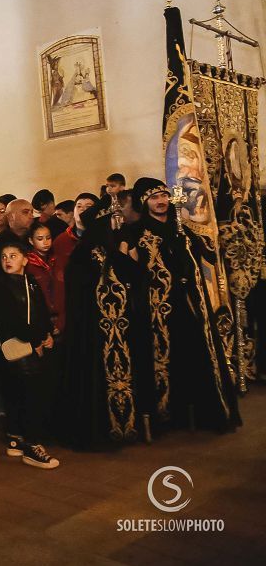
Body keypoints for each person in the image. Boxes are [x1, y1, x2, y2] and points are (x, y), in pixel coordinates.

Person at [121, 178, 239, 432]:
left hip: (190, 303)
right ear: (144, 202)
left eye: (164, 196)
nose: (161, 201)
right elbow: (129, 270)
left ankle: (204, 414)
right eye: (154, 197)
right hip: (157, 310)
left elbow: (205, 255)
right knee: (167, 360)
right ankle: (170, 417)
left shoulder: (181, 229)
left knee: (197, 356)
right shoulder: (135, 233)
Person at [60, 196, 151, 449]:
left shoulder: (110, 252)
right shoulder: (82, 256)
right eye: (112, 220)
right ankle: (104, 428)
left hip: (118, 329)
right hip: (95, 334)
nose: (117, 225)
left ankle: (124, 426)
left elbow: (138, 274)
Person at [0, 239, 59, 469]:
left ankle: (15, 437)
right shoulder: (1, 286)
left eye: (12, 256)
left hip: (32, 342)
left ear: (25, 259)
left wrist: (48, 333)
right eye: (4, 256)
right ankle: (32, 446)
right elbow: (9, 320)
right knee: (30, 394)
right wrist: (37, 339)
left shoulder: (30, 282)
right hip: (18, 346)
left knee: (20, 394)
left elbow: (40, 310)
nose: (7, 260)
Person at [49, 193, 99, 336]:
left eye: (89, 207)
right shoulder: (61, 241)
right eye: (79, 206)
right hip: (73, 304)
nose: (83, 210)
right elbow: (58, 280)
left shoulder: (105, 237)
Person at [24, 221, 55, 318]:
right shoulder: (27, 263)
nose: (45, 242)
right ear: (31, 241)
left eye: (48, 238)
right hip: (39, 313)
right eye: (40, 239)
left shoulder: (56, 258)